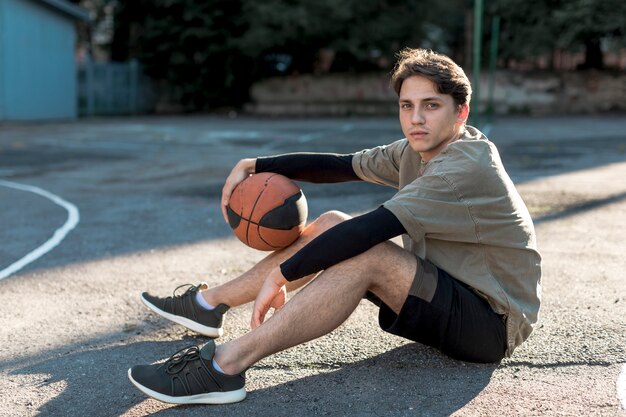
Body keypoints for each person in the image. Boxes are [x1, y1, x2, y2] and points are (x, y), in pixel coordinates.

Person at [127, 48, 541, 405]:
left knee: (367, 254)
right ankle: (208, 304)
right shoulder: (419, 148)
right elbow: (342, 166)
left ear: (460, 111)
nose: (416, 118)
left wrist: (282, 274)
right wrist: (256, 165)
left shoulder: (462, 166)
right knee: (331, 223)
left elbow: (371, 231)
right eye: (406, 105)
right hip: (448, 293)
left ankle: (223, 366)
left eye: (431, 105)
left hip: (491, 324)